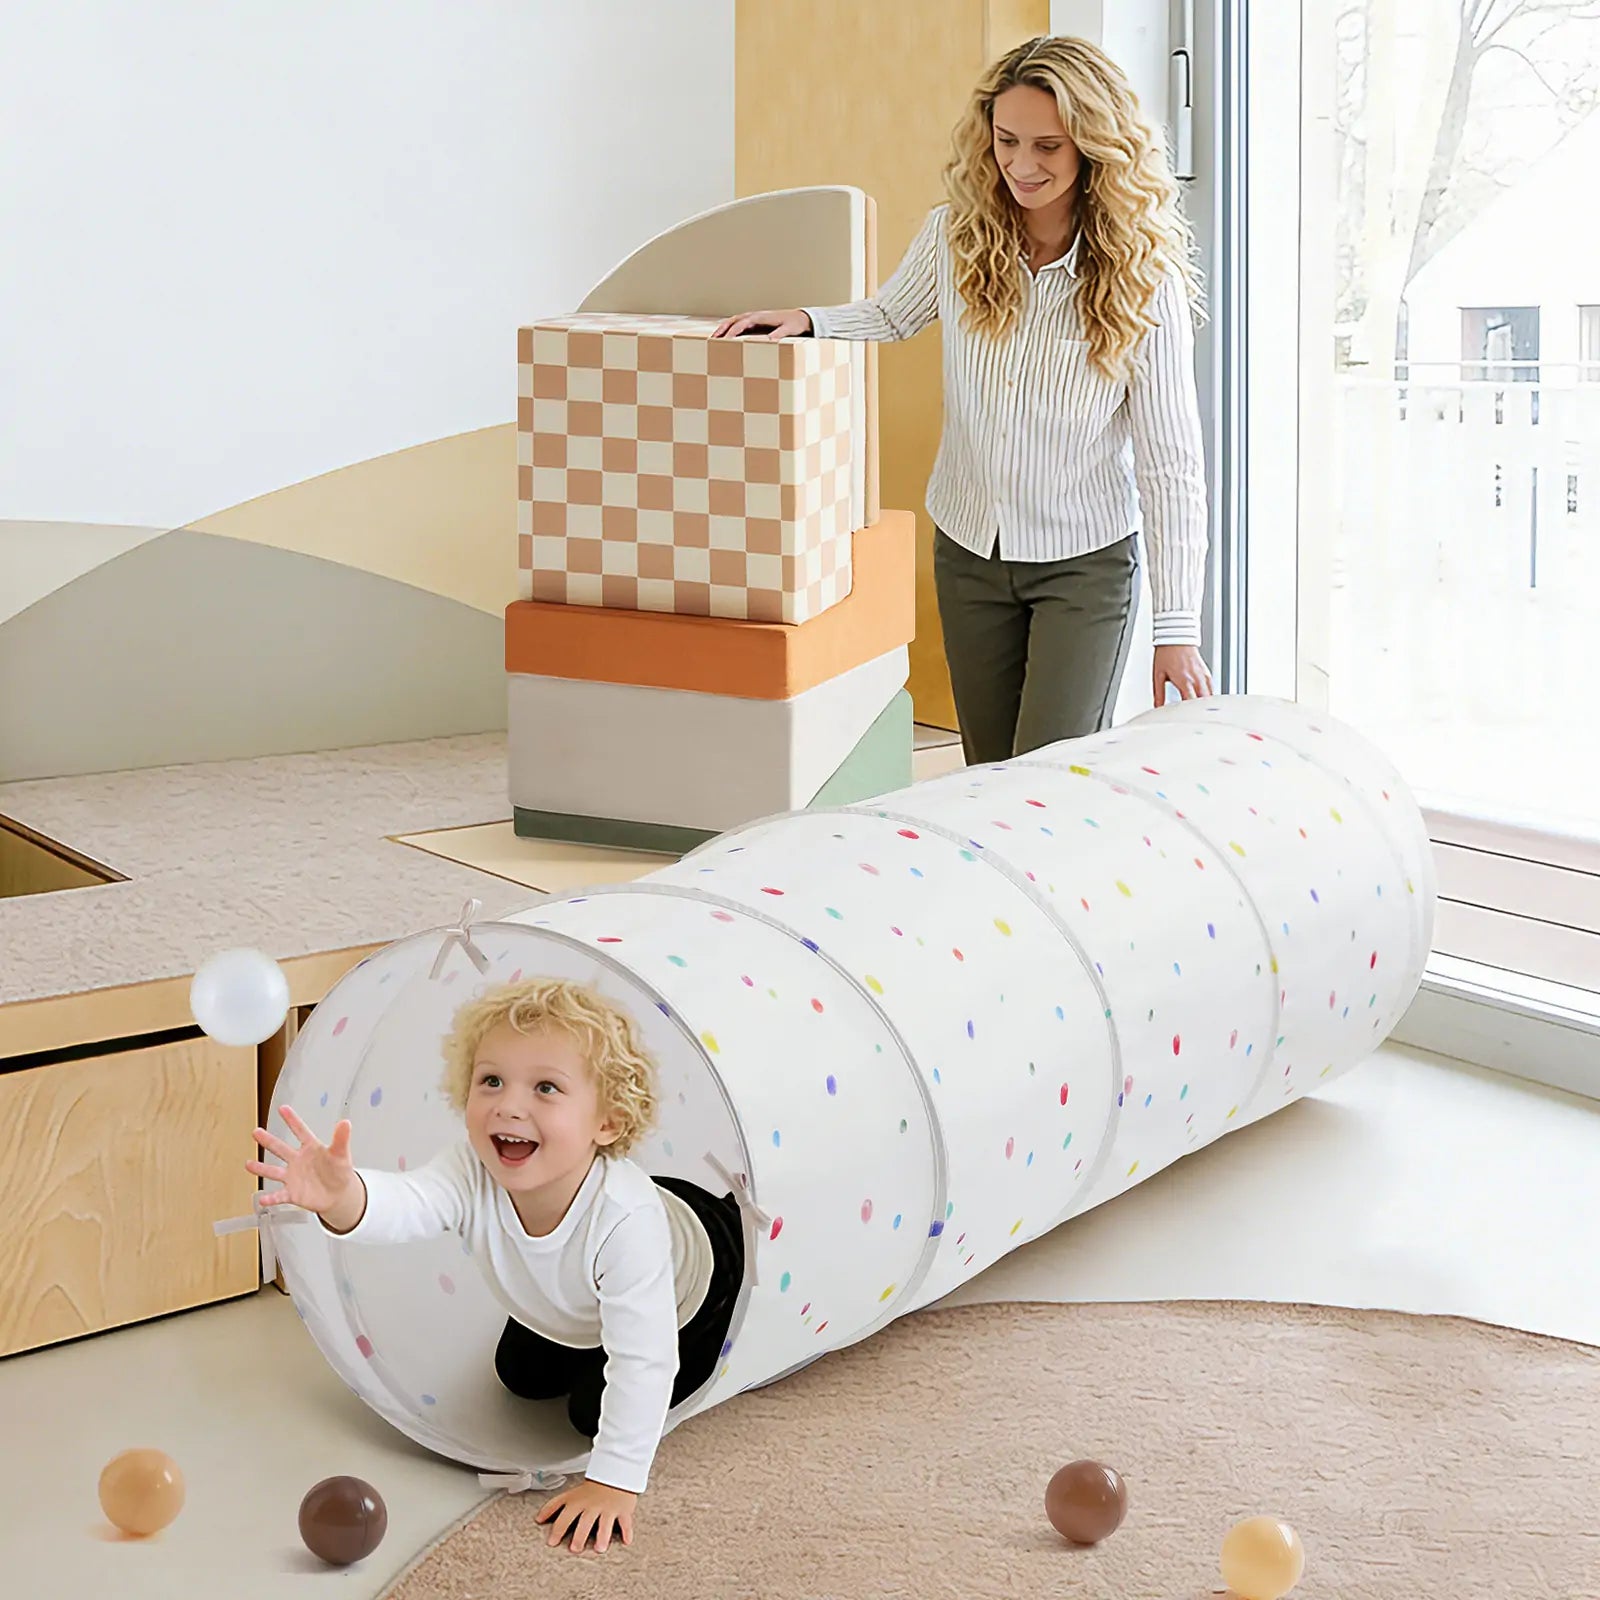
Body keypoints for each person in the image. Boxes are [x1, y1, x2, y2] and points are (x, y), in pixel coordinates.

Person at [714, 34, 1215, 766]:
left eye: (1049, 145)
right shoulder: (956, 236)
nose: (1021, 164)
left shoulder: (1145, 279)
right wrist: (812, 321)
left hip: (1083, 566)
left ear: (1094, 147)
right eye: (1008, 140)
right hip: (969, 549)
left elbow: (1173, 465)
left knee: (1046, 777)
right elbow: (892, 314)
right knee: (986, 774)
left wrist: (1178, 630)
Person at [247, 977, 744, 1556]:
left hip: (696, 1280)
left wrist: (614, 1481)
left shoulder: (625, 1220)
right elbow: (411, 1204)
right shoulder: (471, 1167)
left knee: (593, 1413)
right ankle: (584, 1324)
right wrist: (344, 1197)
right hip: (577, 1304)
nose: (509, 1105)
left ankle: (732, 1223)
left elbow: (646, 1358)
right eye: (491, 1081)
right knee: (520, 1374)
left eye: (546, 1088)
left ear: (605, 1123)